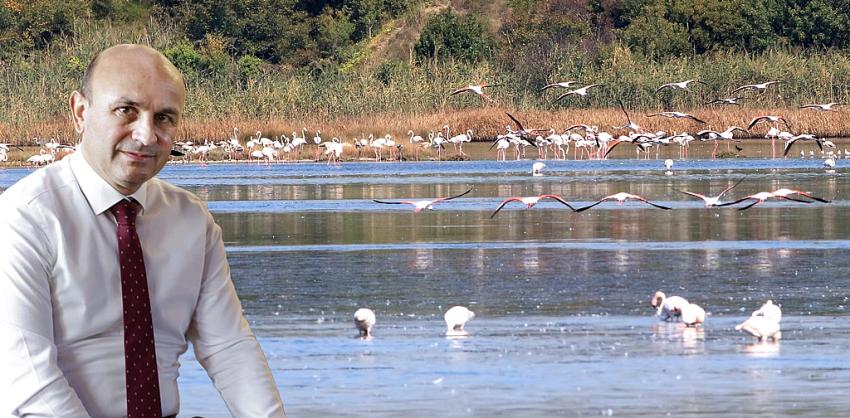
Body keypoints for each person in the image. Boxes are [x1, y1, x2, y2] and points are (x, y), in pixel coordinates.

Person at [0, 44, 285, 417]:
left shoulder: (191, 221)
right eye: (126, 110)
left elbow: (229, 347)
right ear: (80, 112)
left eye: (164, 117)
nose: (146, 135)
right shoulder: (24, 218)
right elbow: (25, 380)